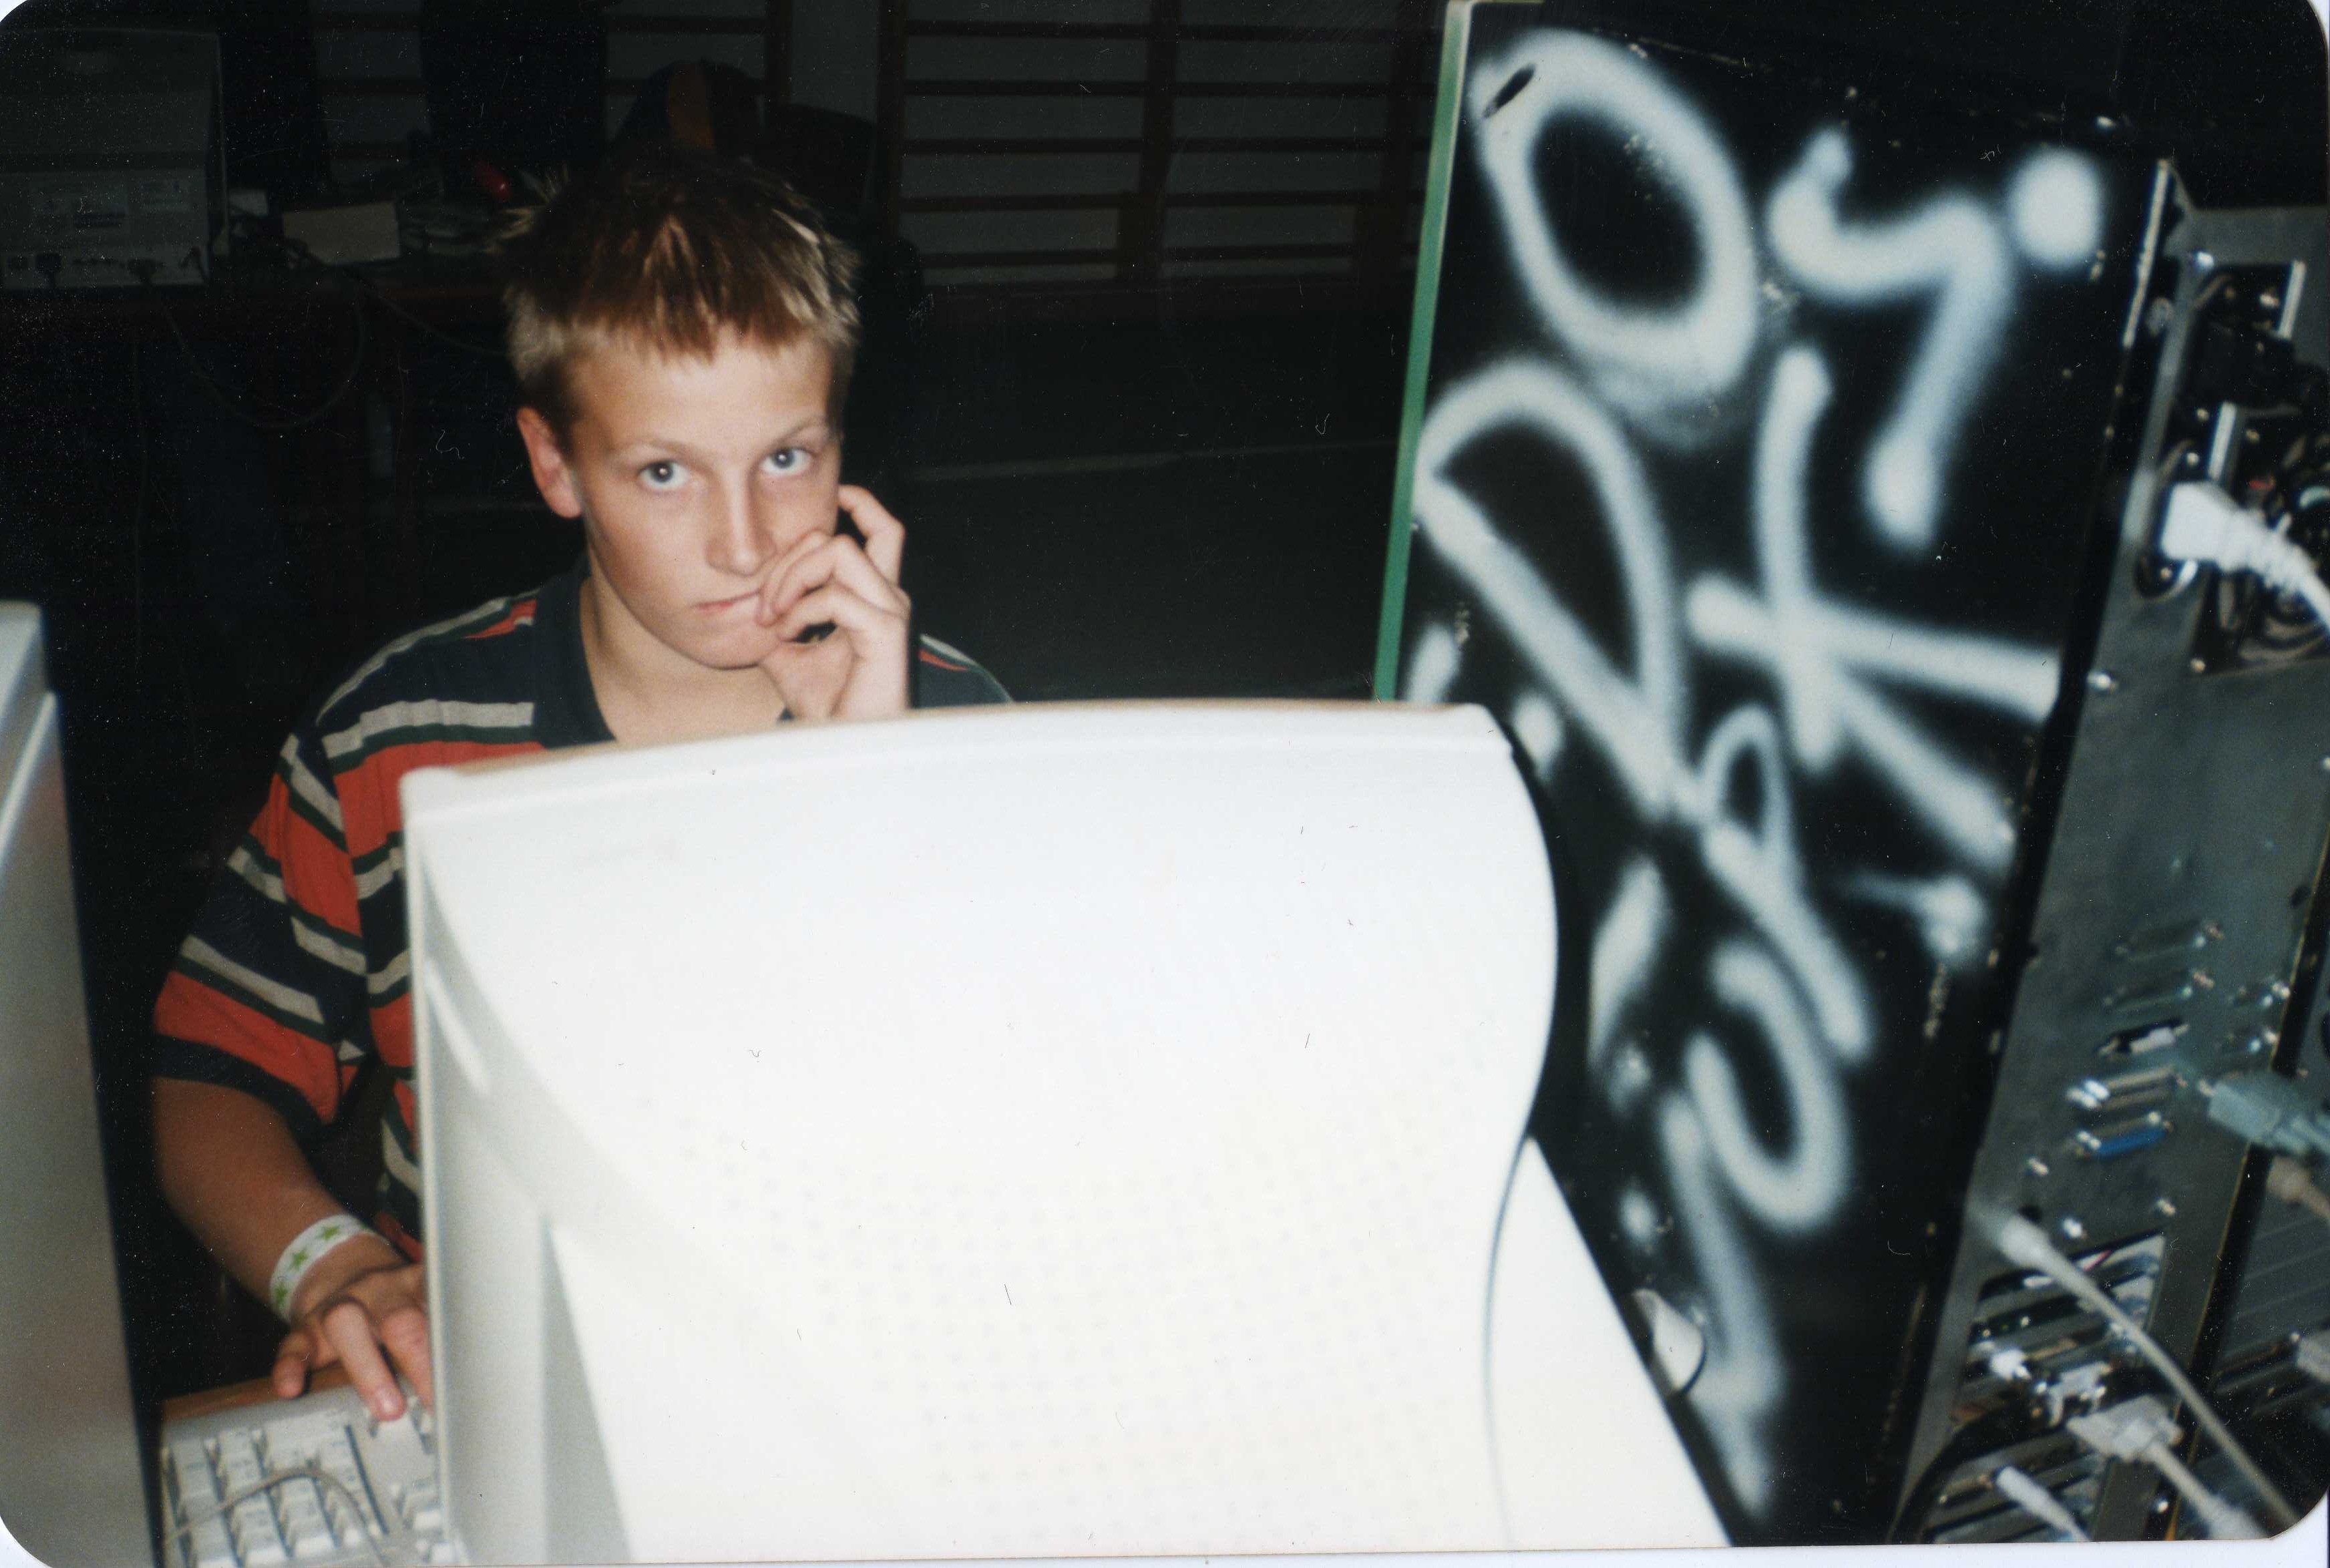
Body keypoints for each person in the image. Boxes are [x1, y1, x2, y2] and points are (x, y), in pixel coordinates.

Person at [149, 146, 1005, 1427]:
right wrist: (333, 1266)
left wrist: (865, 788)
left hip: (840, 1366)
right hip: (506, 1374)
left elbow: (998, 1138)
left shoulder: (952, 725)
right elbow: (206, 1077)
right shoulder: (395, 735)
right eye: (664, 472)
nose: (744, 543)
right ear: (554, 466)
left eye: (787, 459)